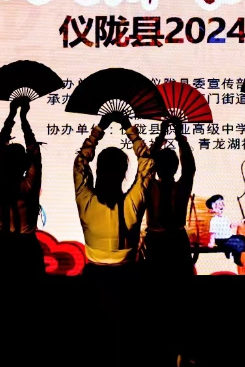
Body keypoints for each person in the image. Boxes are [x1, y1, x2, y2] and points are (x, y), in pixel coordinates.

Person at [74, 111, 154, 278]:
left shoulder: (85, 200)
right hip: (127, 275)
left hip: (94, 276)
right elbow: (147, 164)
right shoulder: (132, 203)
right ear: (124, 172)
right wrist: (129, 128)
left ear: (98, 170)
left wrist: (99, 129)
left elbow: (80, 163)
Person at [0, 98, 44, 278]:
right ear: (24, 164)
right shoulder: (29, 185)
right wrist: (24, 119)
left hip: (0, 246)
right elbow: (35, 155)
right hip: (27, 249)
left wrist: (11, 116)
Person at [141, 118, 196, 276]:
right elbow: (189, 168)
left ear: (156, 168)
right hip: (176, 240)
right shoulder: (181, 188)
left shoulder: (150, 187)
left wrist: (161, 136)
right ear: (176, 167)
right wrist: (179, 137)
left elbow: (146, 166)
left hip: (156, 240)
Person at [206, 194, 245, 272]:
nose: (220, 206)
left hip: (228, 237)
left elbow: (231, 225)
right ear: (211, 210)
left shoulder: (225, 218)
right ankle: (236, 257)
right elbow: (212, 233)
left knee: (242, 238)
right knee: (239, 243)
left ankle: (228, 250)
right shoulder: (214, 220)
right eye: (217, 205)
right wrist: (211, 242)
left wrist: (240, 222)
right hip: (221, 240)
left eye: (222, 203)